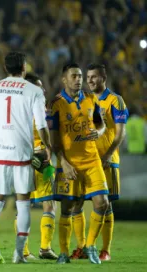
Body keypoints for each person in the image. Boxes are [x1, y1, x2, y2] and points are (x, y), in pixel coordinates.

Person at [0, 52, 52, 264]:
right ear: (24, 67)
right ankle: (19, 254)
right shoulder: (35, 90)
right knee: (23, 203)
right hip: (21, 152)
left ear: (5, 67)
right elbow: (41, 125)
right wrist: (48, 147)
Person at [50, 63, 108, 265]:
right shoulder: (56, 104)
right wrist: (63, 163)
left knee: (103, 203)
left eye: (80, 76)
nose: (79, 79)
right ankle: (64, 252)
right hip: (70, 164)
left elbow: (100, 123)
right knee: (68, 207)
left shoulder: (91, 99)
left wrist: (99, 132)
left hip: (92, 160)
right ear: (64, 79)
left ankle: (90, 246)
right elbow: (54, 139)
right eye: (74, 76)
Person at [86, 63, 128, 261]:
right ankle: (83, 247)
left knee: (107, 204)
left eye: (94, 77)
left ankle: (105, 250)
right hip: (88, 161)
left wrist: (109, 154)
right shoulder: (86, 100)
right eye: (88, 77)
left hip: (107, 160)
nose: (90, 80)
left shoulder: (115, 100)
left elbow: (121, 132)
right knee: (79, 205)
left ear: (103, 78)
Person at [19, 73, 58, 260]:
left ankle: (24, 251)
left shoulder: (16, 109)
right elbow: (43, 130)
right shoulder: (38, 106)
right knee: (49, 203)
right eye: (39, 86)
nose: (43, 90)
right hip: (43, 160)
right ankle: (45, 248)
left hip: (22, 161)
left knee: (23, 205)